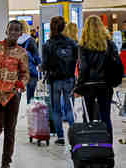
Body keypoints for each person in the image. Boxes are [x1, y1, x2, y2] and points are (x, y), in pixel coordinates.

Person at [0, 20, 29, 168]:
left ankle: (6, 163)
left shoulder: (22, 53)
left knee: (10, 131)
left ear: (20, 34)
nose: (14, 33)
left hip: (12, 95)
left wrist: (21, 83)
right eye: (11, 30)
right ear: (6, 31)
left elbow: (25, 73)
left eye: (17, 30)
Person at [74, 15, 118, 143]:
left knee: (87, 116)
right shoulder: (109, 44)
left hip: (89, 85)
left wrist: (79, 86)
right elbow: (115, 63)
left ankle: (89, 144)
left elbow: (84, 68)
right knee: (105, 116)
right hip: (105, 84)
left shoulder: (83, 45)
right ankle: (107, 146)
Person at [41, 16, 78, 146]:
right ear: (64, 27)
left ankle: (60, 137)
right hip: (69, 79)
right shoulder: (72, 43)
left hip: (54, 80)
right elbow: (76, 60)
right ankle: (74, 136)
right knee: (69, 108)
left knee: (56, 109)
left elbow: (44, 65)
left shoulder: (47, 45)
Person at [17, 21, 40, 104]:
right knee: (31, 97)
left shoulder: (13, 40)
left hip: (17, 72)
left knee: (16, 96)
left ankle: (14, 114)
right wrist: (39, 65)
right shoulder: (31, 40)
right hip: (30, 71)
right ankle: (30, 113)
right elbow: (36, 56)